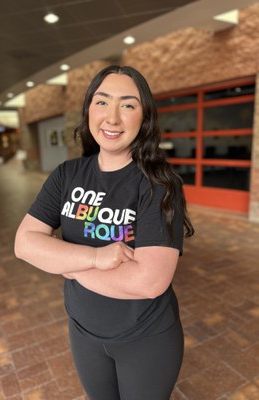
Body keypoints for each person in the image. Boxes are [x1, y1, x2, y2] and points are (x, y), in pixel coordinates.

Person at [14, 65, 194, 400]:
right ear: (88, 110)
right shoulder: (67, 175)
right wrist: (96, 257)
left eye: (127, 105)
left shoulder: (158, 184)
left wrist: (65, 262)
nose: (112, 118)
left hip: (147, 339)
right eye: (102, 102)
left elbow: (150, 281)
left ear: (144, 118)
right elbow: (24, 243)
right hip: (82, 333)